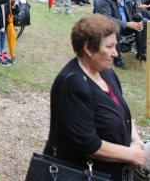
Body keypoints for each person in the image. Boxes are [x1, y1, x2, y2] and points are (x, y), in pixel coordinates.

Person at [44, 14, 148, 180]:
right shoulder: (73, 83)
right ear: (88, 48)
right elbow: (88, 144)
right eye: (109, 47)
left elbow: (124, 114)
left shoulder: (106, 72)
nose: (115, 53)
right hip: (88, 174)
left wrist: (136, 142)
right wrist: (130, 155)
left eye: (116, 46)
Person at [97, 0, 147, 68]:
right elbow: (106, 18)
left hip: (127, 25)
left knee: (144, 22)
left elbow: (136, 10)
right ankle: (118, 59)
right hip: (110, 27)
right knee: (114, 28)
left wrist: (138, 19)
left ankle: (142, 52)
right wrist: (127, 24)